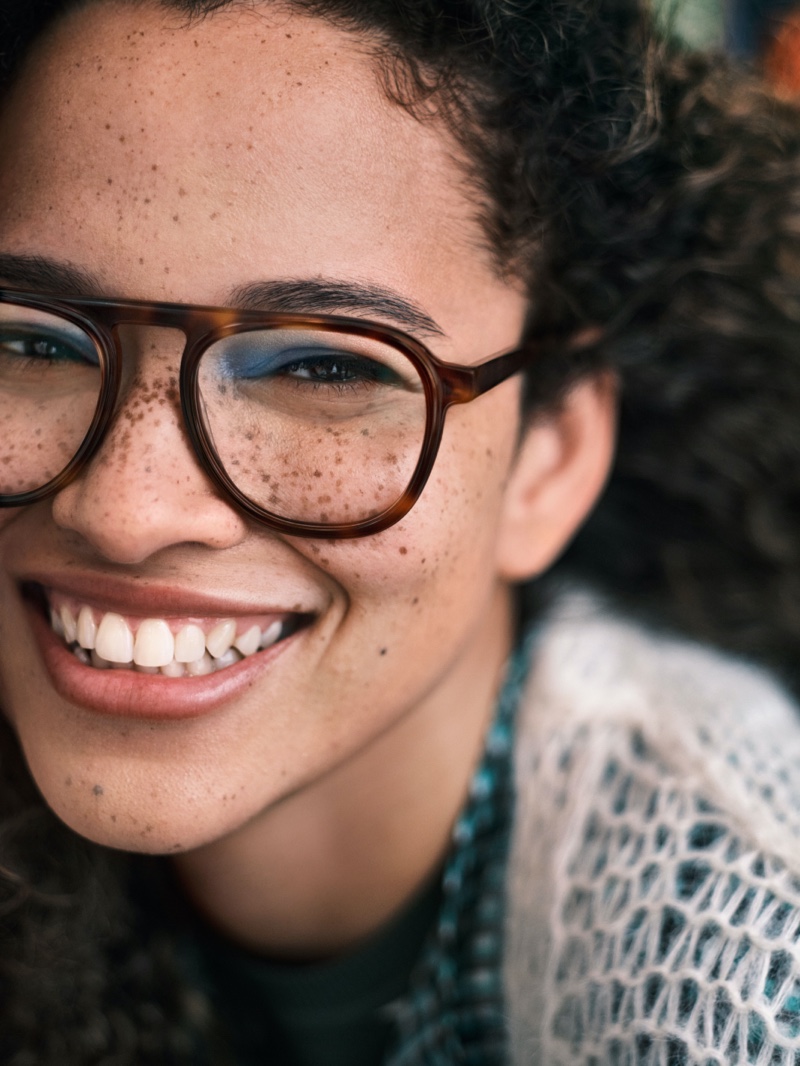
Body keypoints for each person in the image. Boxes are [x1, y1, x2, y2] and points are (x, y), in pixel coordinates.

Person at [1, 0, 800, 1063]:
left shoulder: (737, 974)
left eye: (326, 366)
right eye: (33, 343)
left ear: (549, 457)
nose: (126, 509)